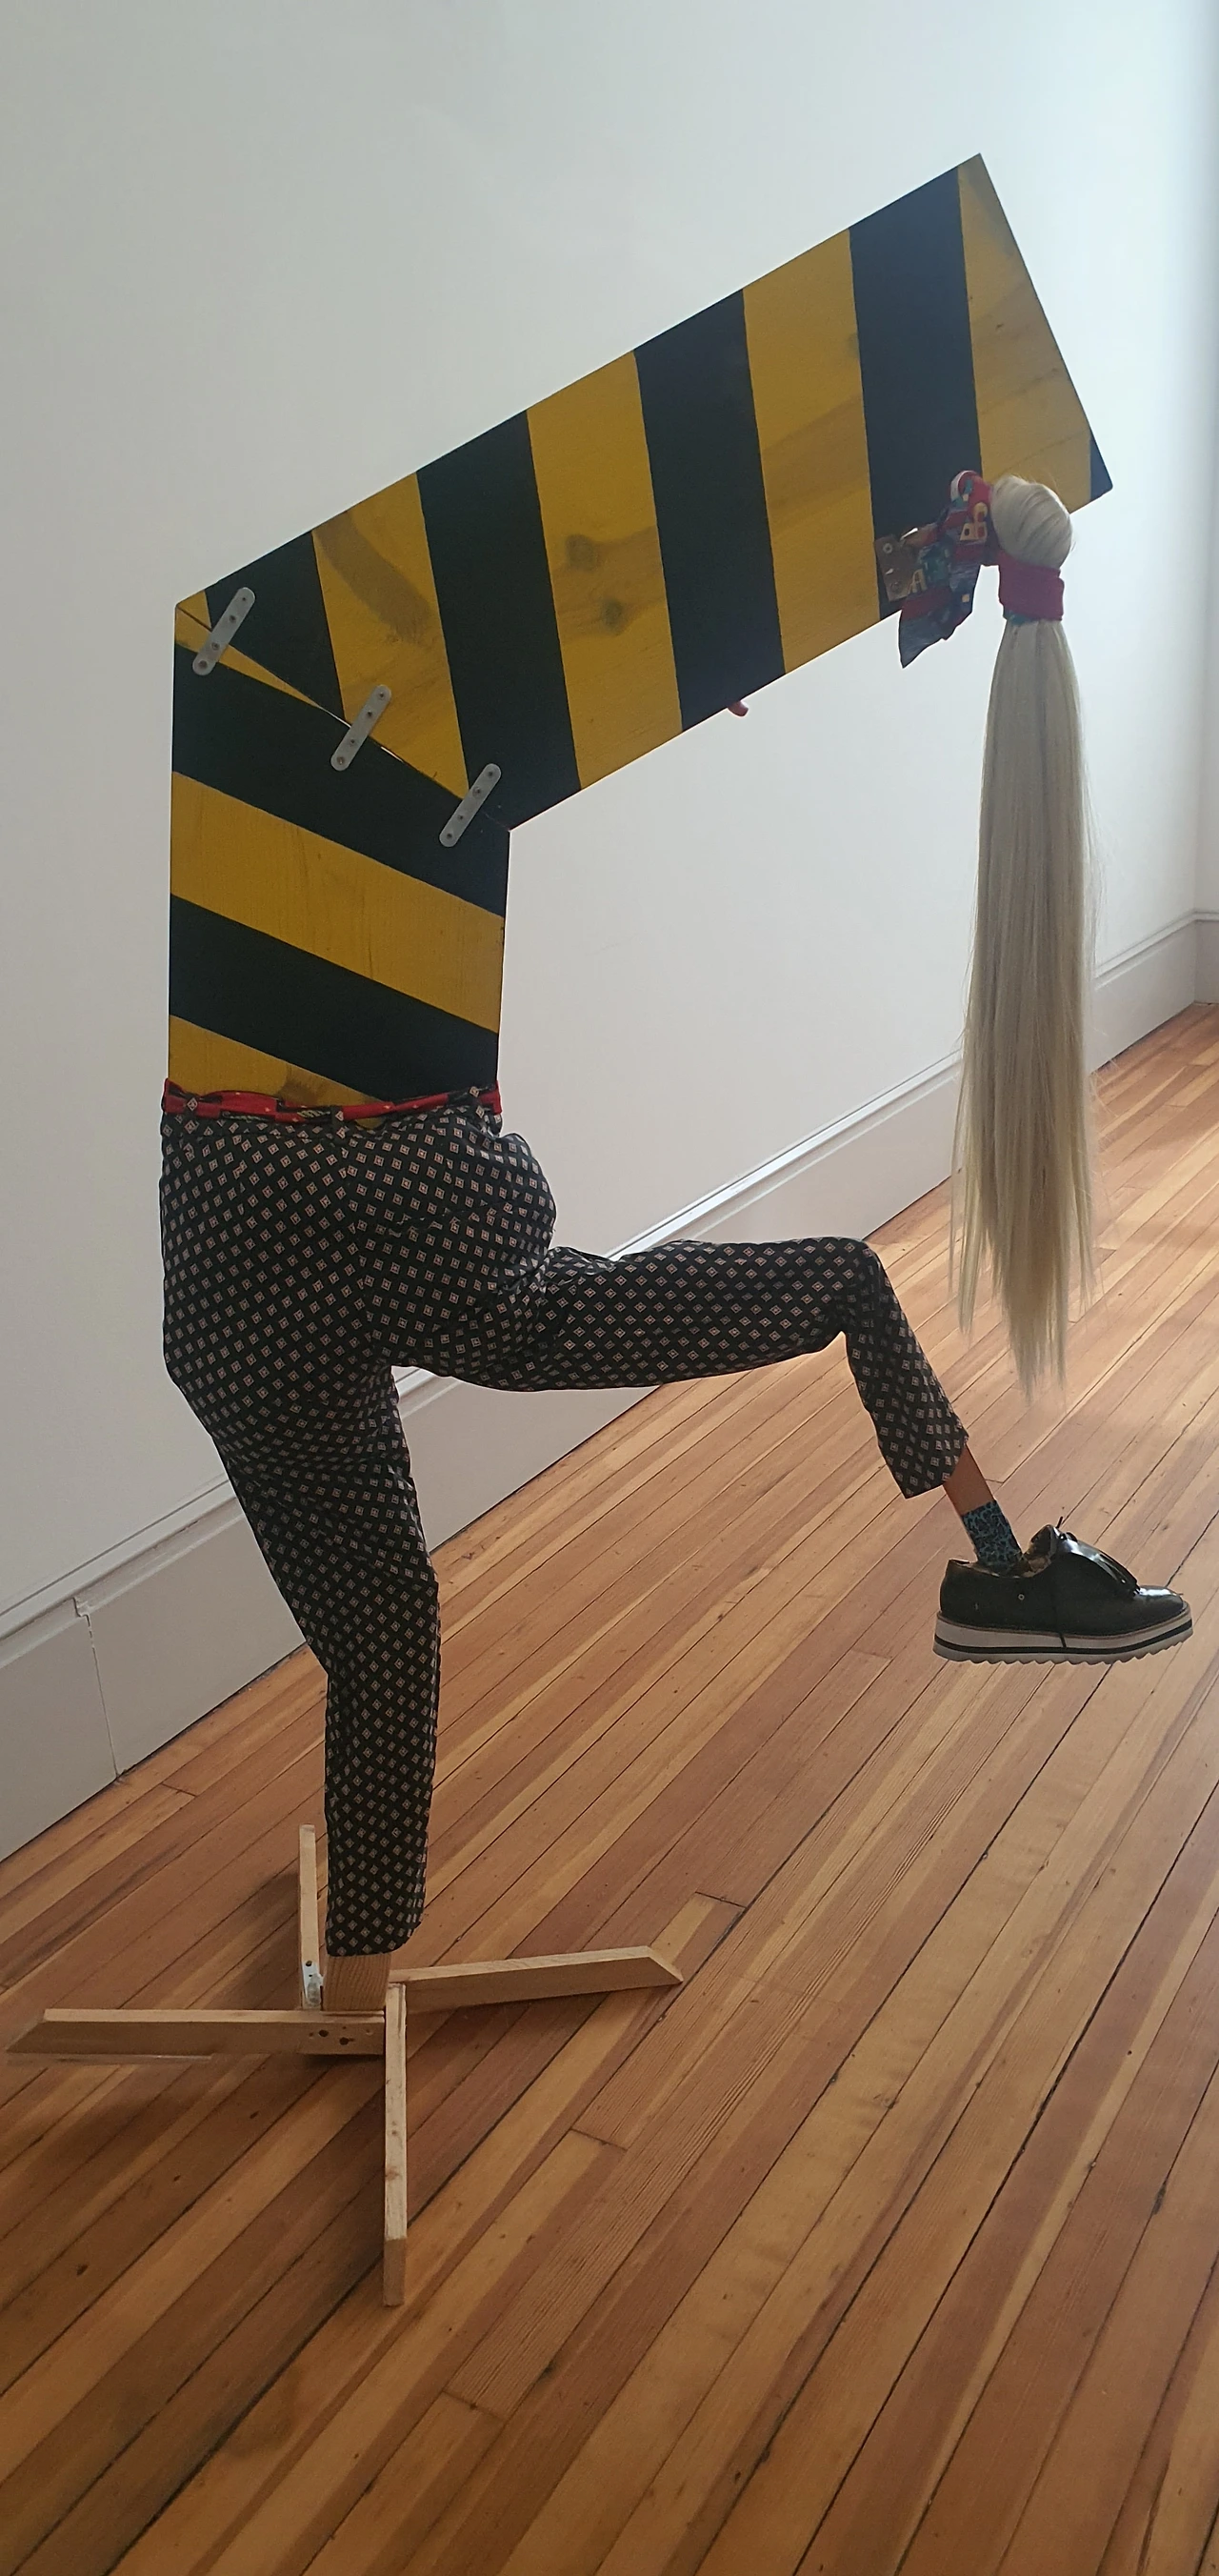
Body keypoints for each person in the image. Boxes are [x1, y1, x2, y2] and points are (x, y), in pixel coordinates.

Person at [160, 1079, 1190, 2006]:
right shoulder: (426, 1183)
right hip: (400, 1231)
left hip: (235, 1266)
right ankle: (999, 1563)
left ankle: (358, 1971)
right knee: (841, 1278)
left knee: (379, 1634)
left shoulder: (227, 1156)